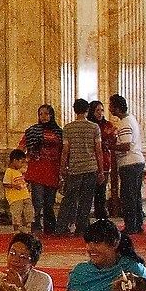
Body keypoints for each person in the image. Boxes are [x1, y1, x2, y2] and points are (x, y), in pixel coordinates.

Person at [62, 220, 146, 291]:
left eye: (97, 243)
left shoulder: (132, 269)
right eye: (88, 243)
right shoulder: (80, 272)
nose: (90, 248)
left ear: (115, 243)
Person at [59, 100, 101, 236]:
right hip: (90, 167)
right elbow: (98, 150)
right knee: (86, 200)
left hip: (74, 168)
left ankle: (62, 227)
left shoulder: (68, 128)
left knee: (69, 199)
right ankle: (81, 228)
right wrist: (101, 171)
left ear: (74, 110)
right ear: (88, 110)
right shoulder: (94, 127)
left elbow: (65, 150)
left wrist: (62, 167)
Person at [106, 94, 145, 236]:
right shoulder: (131, 119)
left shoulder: (125, 123)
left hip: (129, 162)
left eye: (110, 106)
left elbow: (126, 145)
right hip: (136, 161)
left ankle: (131, 226)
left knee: (128, 196)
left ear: (117, 108)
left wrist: (110, 146)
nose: (109, 109)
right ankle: (138, 224)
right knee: (135, 195)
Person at [21, 105, 62, 234]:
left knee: (49, 202)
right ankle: (36, 225)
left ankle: (50, 226)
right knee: (37, 201)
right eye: (41, 114)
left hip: (53, 170)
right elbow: (21, 147)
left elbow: (63, 151)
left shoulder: (59, 132)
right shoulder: (32, 131)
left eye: (46, 114)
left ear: (51, 115)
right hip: (37, 170)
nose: (43, 117)